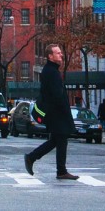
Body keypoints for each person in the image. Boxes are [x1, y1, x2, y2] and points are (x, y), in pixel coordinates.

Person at [24, 44, 78, 180]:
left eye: (60, 52)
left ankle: (33, 158)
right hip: (57, 114)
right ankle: (60, 170)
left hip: (55, 113)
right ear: (50, 56)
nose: (61, 55)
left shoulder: (51, 70)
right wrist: (64, 111)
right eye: (58, 53)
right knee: (61, 139)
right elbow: (56, 95)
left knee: (56, 140)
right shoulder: (51, 72)